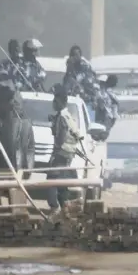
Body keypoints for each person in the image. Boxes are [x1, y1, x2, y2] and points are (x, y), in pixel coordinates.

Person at [47, 85, 81, 217]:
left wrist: (54, 155)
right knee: (61, 181)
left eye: (55, 101)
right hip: (68, 153)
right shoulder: (67, 115)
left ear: (60, 101)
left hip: (61, 153)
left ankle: (54, 208)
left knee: (50, 181)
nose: (53, 104)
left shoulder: (61, 117)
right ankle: (65, 209)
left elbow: (60, 138)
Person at [63, 45, 100, 120]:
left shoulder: (85, 67)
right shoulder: (70, 67)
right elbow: (67, 83)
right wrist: (69, 67)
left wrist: (94, 99)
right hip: (73, 102)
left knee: (89, 125)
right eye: (73, 55)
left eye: (77, 54)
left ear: (80, 55)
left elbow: (92, 84)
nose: (75, 57)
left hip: (88, 101)